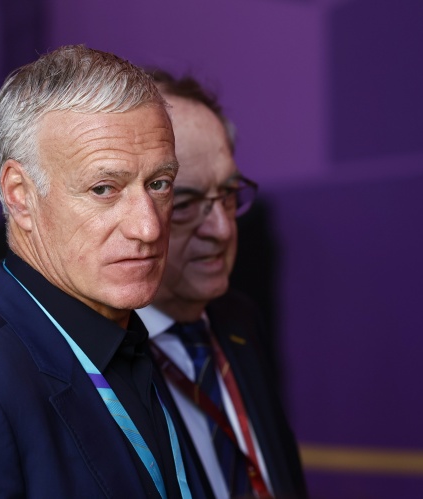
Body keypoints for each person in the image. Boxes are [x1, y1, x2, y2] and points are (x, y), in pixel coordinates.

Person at [0, 45, 210, 498]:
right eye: (104, 189)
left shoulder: (124, 341)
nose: (148, 227)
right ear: (19, 195)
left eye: (159, 184)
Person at [136, 69, 309, 499]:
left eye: (229, 194)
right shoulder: (97, 359)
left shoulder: (240, 321)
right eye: (186, 203)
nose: (222, 229)